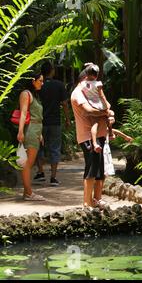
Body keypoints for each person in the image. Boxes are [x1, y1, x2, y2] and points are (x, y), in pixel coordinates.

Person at [71, 63, 115, 208]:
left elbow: (106, 104)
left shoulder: (91, 92)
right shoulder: (78, 93)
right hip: (87, 136)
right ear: (83, 79)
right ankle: (86, 202)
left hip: (100, 135)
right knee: (91, 169)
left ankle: (97, 199)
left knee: (100, 170)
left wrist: (109, 114)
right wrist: (105, 113)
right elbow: (88, 110)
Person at [34, 62, 71, 186]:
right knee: (55, 148)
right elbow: (65, 103)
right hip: (55, 122)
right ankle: (53, 178)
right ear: (52, 71)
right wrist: (67, 119)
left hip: (40, 122)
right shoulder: (59, 85)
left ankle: (40, 172)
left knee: (39, 147)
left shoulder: (38, 85)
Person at [17, 73, 46, 201]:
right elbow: (23, 113)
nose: (42, 83)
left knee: (29, 162)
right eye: (40, 81)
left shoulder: (34, 95)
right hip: (30, 130)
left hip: (36, 130)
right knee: (28, 163)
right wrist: (20, 131)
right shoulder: (26, 94)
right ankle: (29, 193)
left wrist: (40, 133)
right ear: (33, 81)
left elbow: (35, 116)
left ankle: (27, 192)